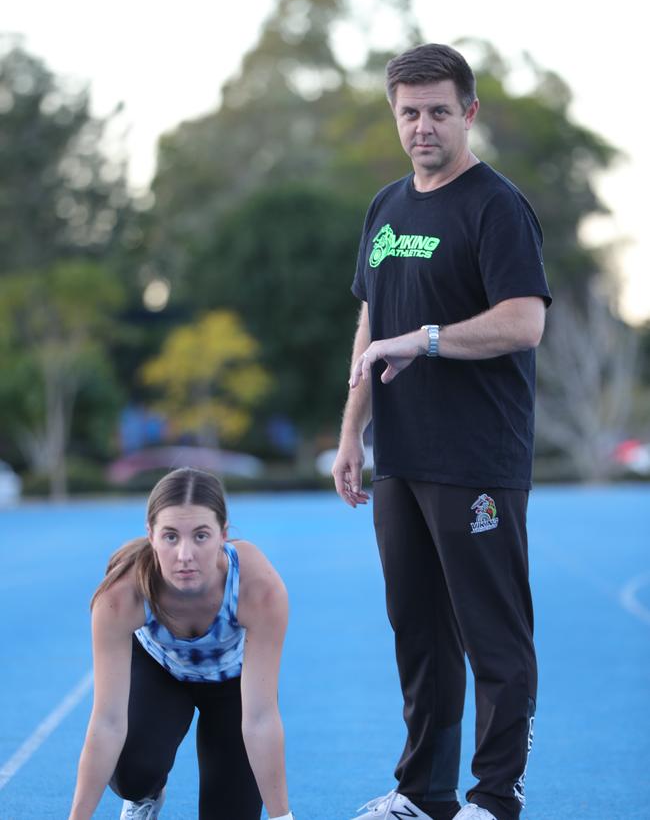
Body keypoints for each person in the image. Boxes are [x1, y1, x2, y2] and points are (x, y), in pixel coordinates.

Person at [332, 43, 551, 820]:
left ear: (469, 113)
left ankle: (494, 800)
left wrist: (424, 339)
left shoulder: (496, 206)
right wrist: (352, 430)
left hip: (475, 458)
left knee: (492, 638)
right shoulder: (386, 207)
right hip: (400, 455)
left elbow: (525, 321)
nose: (422, 126)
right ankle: (422, 794)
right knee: (418, 636)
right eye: (409, 113)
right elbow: (371, 320)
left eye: (437, 111)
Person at [68, 467, 295, 820]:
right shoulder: (120, 596)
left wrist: (283, 817)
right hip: (161, 673)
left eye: (201, 536)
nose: (185, 555)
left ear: (223, 534)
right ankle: (147, 795)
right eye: (171, 536)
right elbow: (107, 722)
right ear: (151, 535)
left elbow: (261, 718)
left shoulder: (259, 590)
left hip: (231, 686)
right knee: (132, 775)